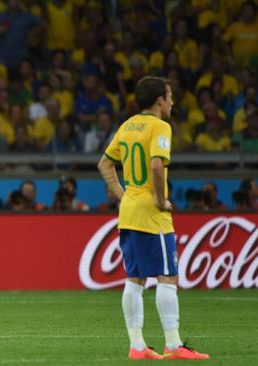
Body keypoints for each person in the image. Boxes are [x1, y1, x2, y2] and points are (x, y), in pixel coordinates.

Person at [97, 76, 209, 360]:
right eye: (170, 96)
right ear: (159, 100)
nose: (172, 101)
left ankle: (137, 346)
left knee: (135, 278)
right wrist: (160, 200)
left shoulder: (127, 125)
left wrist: (124, 196)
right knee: (167, 276)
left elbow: (104, 164)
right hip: (151, 213)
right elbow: (157, 166)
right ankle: (173, 345)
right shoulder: (160, 127)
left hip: (130, 209)